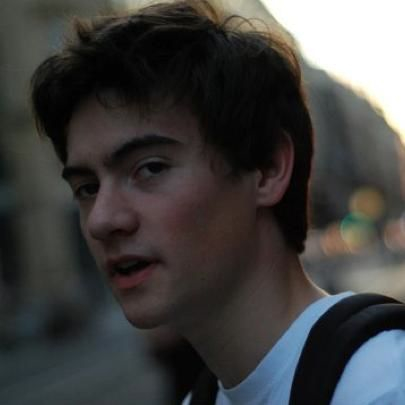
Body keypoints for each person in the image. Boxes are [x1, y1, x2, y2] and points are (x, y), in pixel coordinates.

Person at [30, 0, 405, 403]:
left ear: (267, 168)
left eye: (150, 168)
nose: (101, 220)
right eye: (87, 188)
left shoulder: (382, 387)